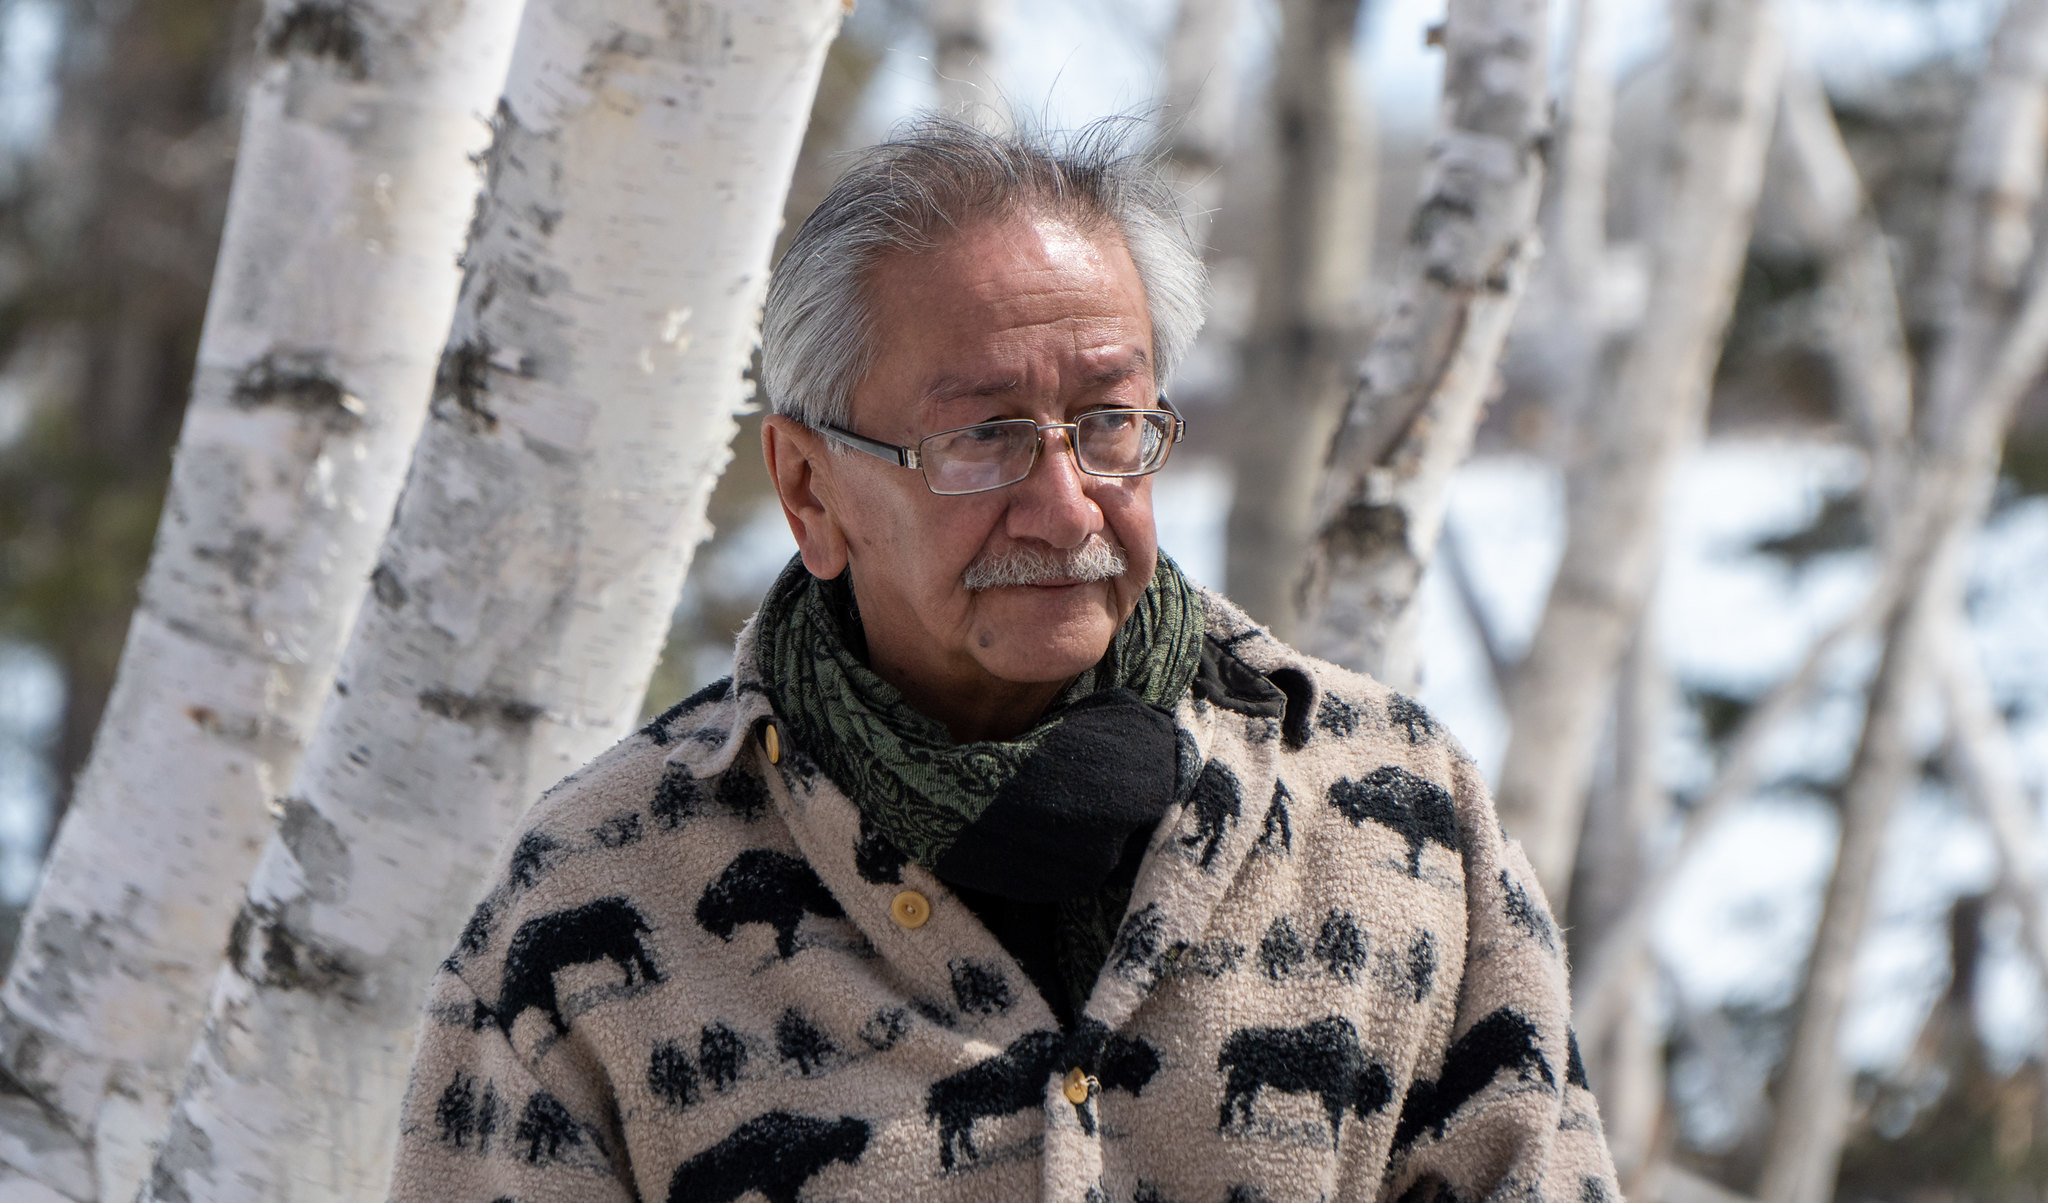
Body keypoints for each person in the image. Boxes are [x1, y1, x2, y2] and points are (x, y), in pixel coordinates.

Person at [387, 115, 1620, 1203]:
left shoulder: (1395, 815)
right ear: (808, 489)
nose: (1066, 506)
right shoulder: (603, 897)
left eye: (1107, 426)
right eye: (980, 437)